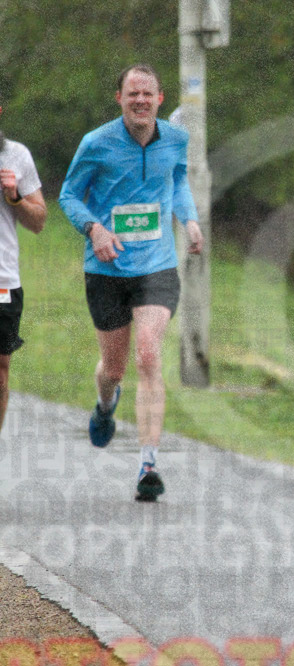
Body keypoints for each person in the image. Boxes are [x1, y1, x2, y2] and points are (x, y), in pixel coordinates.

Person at [59, 64, 203, 502]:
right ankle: (106, 404)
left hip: (156, 266)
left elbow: (176, 178)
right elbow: (68, 194)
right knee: (114, 369)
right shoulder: (96, 143)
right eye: (132, 93)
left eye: (147, 93)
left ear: (160, 99)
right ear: (119, 98)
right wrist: (94, 230)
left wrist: (189, 219)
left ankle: (148, 464)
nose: (140, 100)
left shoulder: (175, 139)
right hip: (107, 269)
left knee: (148, 355)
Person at [0, 106, 47, 434]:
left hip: (2, 282)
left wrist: (15, 198)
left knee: (1, 371)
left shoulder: (16, 155)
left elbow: (39, 221)